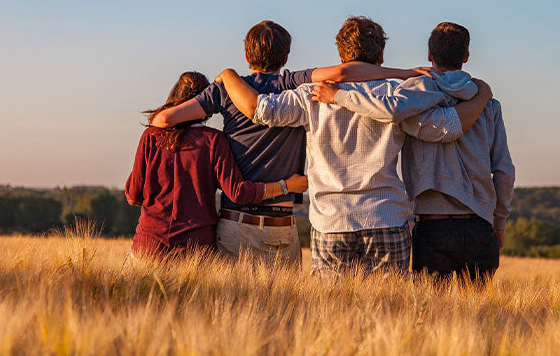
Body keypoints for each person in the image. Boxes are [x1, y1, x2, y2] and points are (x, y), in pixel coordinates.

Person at [215, 16, 492, 276]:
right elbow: (445, 129)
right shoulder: (397, 95)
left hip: (331, 221)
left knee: (331, 315)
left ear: (340, 56)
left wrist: (228, 76)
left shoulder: (310, 95)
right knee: (391, 313)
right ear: (381, 56)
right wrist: (481, 96)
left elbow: (262, 110)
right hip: (386, 217)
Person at [150, 20, 430, 265]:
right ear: (286, 57)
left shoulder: (226, 90)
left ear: (247, 55)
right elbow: (344, 74)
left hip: (237, 222)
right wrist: (404, 73)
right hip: (284, 225)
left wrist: (224, 78)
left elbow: (163, 121)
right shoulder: (293, 83)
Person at [312, 22, 515, 282]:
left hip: (433, 227)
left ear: (430, 55)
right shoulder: (488, 104)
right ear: (466, 57)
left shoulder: (412, 97)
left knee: (429, 316)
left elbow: (390, 110)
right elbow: (504, 171)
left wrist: (339, 96)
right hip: (480, 226)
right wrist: (499, 222)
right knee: (477, 318)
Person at [125, 71, 308, 258]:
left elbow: (133, 196)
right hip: (196, 250)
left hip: (149, 245)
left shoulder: (151, 136)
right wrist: (286, 186)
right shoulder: (213, 141)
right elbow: (238, 192)